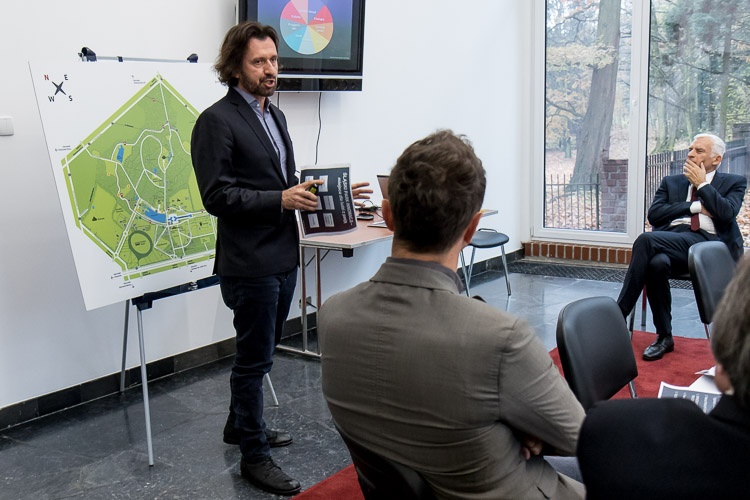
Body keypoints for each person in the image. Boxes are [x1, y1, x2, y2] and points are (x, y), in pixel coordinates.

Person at [318, 130, 586, 499]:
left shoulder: (332, 315)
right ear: (472, 228)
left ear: (388, 214)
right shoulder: (500, 337)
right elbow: (578, 438)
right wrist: (524, 431)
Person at [191, 22, 370, 496]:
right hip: (249, 263)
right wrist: (280, 200)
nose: (270, 69)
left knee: (264, 352)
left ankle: (239, 425)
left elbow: (285, 183)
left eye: (273, 60)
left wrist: (334, 194)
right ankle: (254, 455)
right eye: (259, 62)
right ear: (235, 67)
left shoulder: (276, 115)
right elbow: (217, 196)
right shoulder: (215, 121)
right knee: (252, 362)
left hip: (283, 255)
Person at [577, 255, 750, 499]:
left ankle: (621, 314)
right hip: (674, 245)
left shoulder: (612, 431)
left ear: (722, 367)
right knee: (654, 257)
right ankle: (647, 326)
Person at [617, 133, 746, 361]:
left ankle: (618, 316)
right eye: (690, 149)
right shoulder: (672, 182)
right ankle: (664, 336)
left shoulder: (733, 182)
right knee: (656, 263)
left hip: (709, 246)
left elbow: (726, 213)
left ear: (717, 159)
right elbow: (655, 215)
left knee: (646, 240)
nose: (690, 155)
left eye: (699, 151)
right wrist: (694, 207)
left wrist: (702, 185)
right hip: (672, 241)